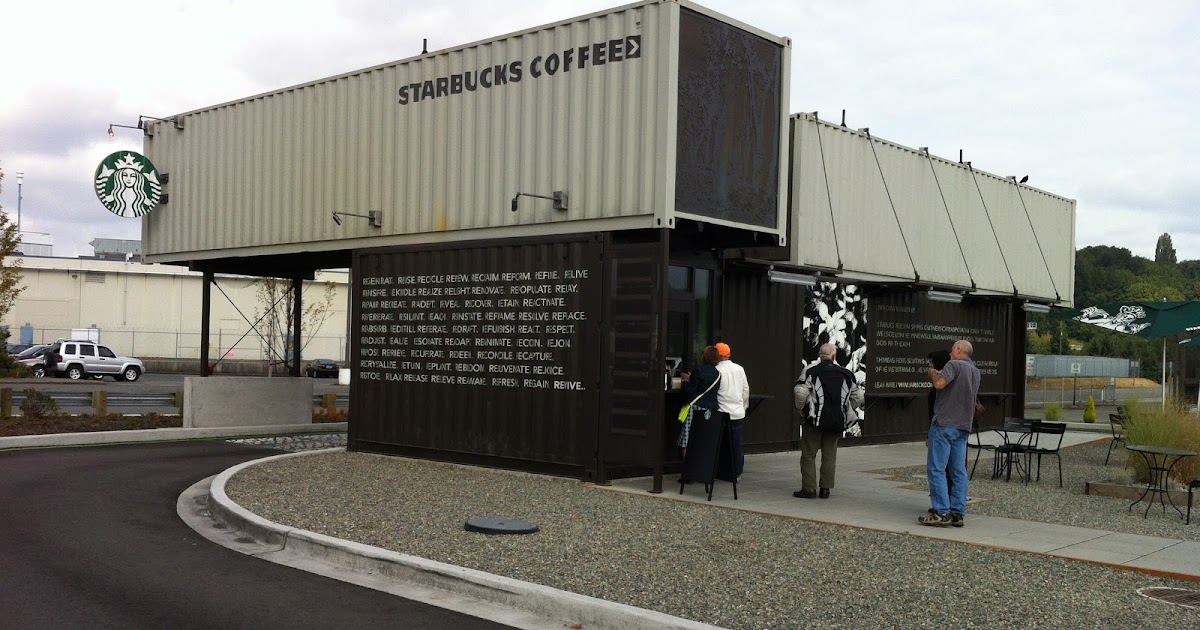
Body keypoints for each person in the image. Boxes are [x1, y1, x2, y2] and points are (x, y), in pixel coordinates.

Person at [920, 339, 981, 527]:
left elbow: (939, 384)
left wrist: (931, 373)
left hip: (945, 423)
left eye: (953, 349)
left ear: (959, 350)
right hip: (963, 426)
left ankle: (940, 511)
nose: (950, 354)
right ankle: (957, 512)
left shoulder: (953, 365)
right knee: (958, 470)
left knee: (936, 468)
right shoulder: (975, 371)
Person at [792, 342, 864, 499]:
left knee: (809, 454)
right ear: (834, 356)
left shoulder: (811, 371)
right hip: (836, 420)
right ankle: (825, 489)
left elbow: (799, 392)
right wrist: (846, 408)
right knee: (829, 454)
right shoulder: (846, 374)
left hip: (814, 420)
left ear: (820, 355)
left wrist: (800, 409)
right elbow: (858, 397)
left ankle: (809, 489)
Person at [677, 345, 722, 463]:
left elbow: (690, 390)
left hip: (696, 408)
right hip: (711, 410)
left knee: (688, 440)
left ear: (705, 356)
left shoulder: (699, 370)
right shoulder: (718, 374)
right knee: (704, 440)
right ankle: (702, 470)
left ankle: (688, 470)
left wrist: (685, 382)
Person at [714, 342, 750, 479]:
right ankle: (736, 472)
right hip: (737, 411)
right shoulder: (739, 369)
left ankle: (720, 471)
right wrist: (743, 407)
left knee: (719, 445)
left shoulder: (716, 369)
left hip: (721, 411)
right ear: (728, 354)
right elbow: (745, 390)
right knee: (736, 444)